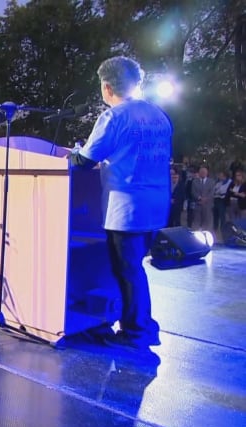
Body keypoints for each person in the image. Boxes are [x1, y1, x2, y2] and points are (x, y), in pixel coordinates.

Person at [70, 56, 171, 351]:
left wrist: (73, 153)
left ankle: (137, 331)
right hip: (156, 204)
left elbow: (85, 159)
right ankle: (140, 325)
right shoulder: (158, 116)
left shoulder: (114, 117)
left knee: (128, 271)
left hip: (127, 207)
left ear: (107, 85)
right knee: (135, 268)